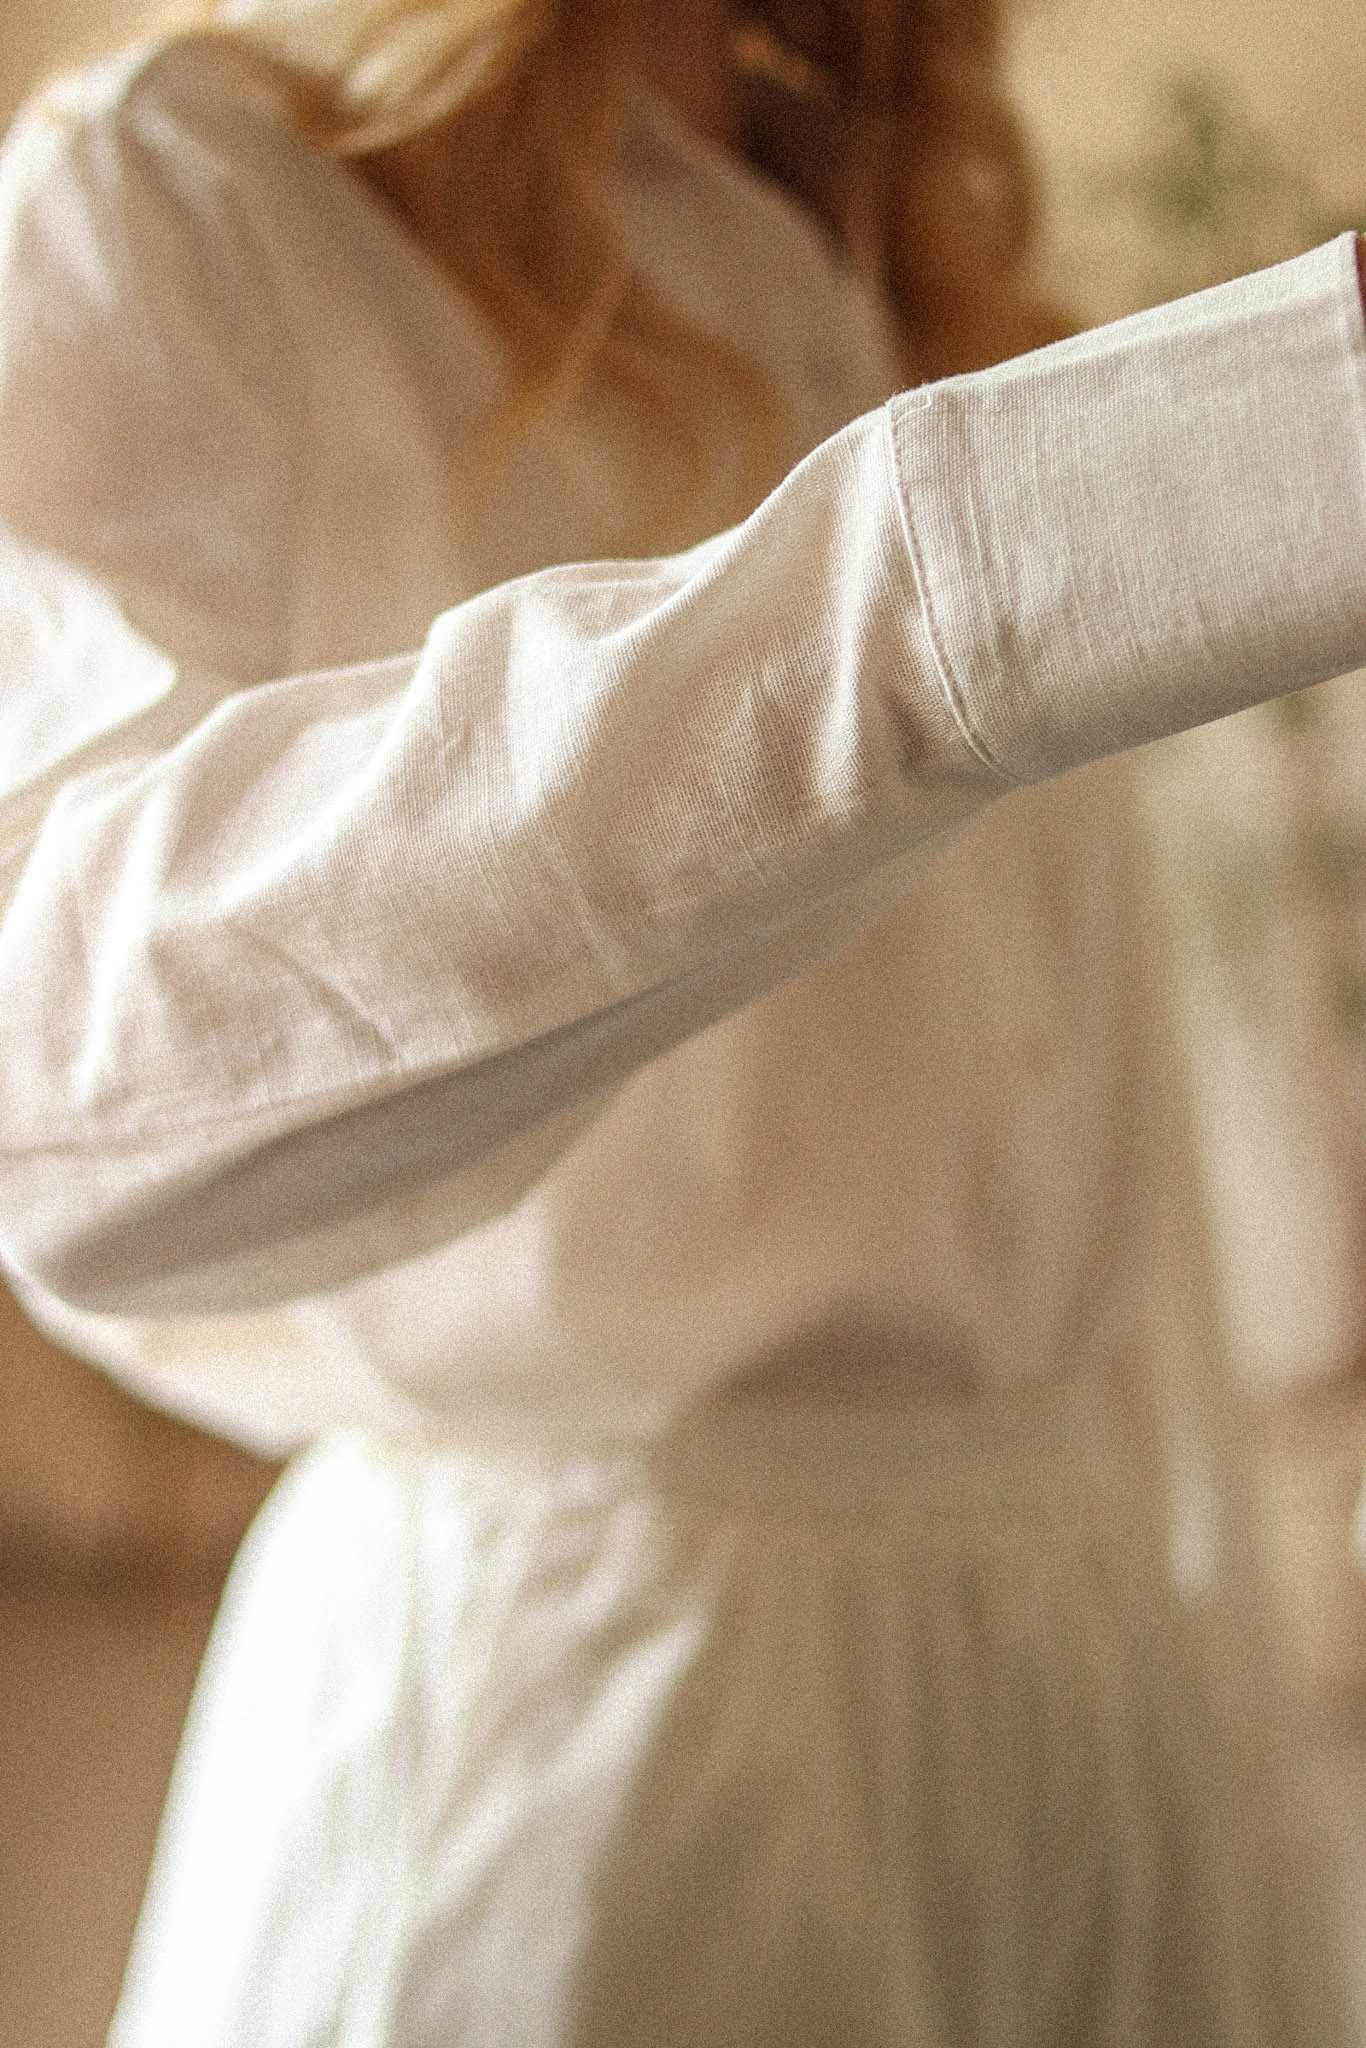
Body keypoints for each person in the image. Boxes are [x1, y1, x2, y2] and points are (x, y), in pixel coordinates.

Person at [0, 0, 1363, 2040]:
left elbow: (1098, 1224)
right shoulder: (180, 194)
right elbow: (63, 1084)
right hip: (580, 1784)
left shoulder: (883, 234)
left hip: (1089, 1725)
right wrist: (955, 587)